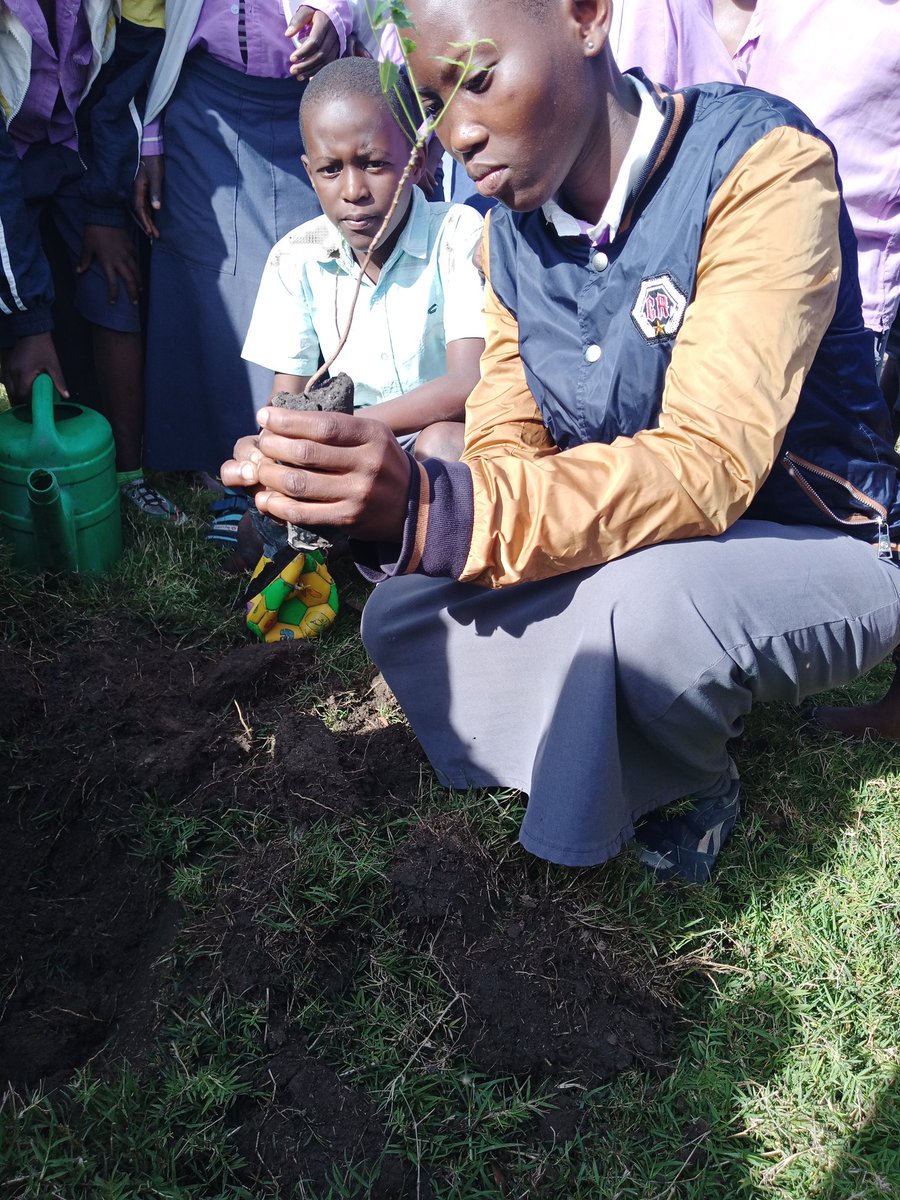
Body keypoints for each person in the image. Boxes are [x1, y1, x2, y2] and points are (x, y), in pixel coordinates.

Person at [222, 0, 900, 883]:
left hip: (818, 539)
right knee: (405, 610)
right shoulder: (509, 245)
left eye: (478, 76)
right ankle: (610, 720)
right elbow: (507, 445)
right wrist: (382, 507)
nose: (457, 134)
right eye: (433, 101)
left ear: (585, 16)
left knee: (646, 610)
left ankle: (687, 781)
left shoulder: (760, 167)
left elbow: (711, 467)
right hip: (638, 548)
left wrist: (435, 505)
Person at [611, 0, 900, 741]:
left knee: (865, 503)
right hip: (726, 306)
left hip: (864, 306)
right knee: (743, 488)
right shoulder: (661, 13)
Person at [230, 56, 484, 569]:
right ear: (309, 171)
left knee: (443, 447)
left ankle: (415, 561)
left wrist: (346, 431)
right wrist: (274, 447)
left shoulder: (458, 234)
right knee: (253, 531)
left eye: (374, 164)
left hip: (435, 437)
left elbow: (468, 382)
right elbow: (290, 399)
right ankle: (351, 547)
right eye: (330, 170)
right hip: (345, 451)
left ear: (416, 159)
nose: (353, 192)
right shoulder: (294, 259)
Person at [134, 0, 356, 478]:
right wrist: (150, 136)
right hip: (203, 103)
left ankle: (303, 448)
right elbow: (157, 24)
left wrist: (335, 16)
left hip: (310, 101)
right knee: (207, 275)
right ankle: (211, 458)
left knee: (316, 271)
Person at [0, 0, 181, 520]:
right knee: (17, 303)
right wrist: (30, 318)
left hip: (80, 138)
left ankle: (128, 475)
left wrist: (104, 205)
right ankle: (40, 473)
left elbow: (124, 77)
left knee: (115, 277)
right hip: (9, 150)